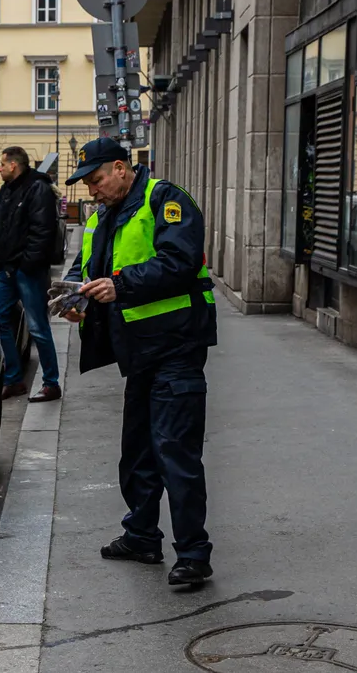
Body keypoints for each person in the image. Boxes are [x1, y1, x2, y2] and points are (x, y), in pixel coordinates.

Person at [58, 137, 218, 587]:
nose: (91, 190)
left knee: (175, 451)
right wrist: (76, 295)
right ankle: (142, 536)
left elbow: (180, 263)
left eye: (96, 179)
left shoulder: (165, 199)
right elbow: (87, 267)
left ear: (122, 168)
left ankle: (193, 554)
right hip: (139, 351)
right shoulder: (103, 216)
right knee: (138, 452)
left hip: (176, 347)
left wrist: (120, 285)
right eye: (87, 183)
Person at [0, 146, 61, 403]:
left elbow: (43, 232)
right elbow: (4, 230)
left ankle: (51, 383)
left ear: (13, 165)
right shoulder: (8, 191)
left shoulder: (37, 189)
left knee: (37, 327)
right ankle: (14, 379)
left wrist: (27, 265)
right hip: (8, 269)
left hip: (28, 270)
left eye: (1, 164)